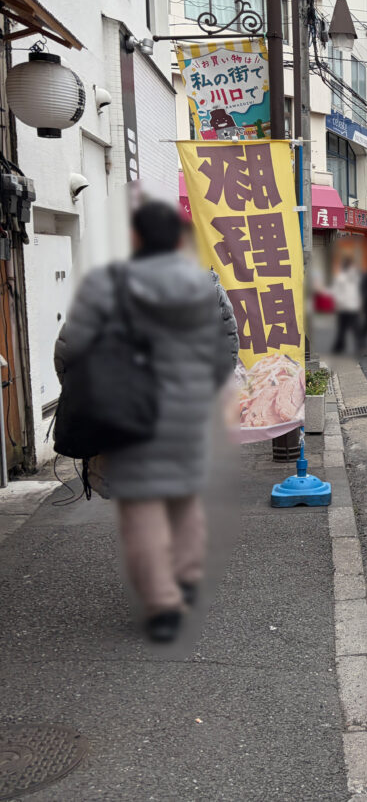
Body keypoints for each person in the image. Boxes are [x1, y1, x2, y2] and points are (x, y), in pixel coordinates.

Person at [54, 201, 238, 643]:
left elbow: (67, 353)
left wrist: (93, 396)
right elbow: (227, 347)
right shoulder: (205, 285)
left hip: (123, 423)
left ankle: (162, 605)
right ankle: (185, 577)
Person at [331, 257, 363, 354]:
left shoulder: (354, 277)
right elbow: (336, 292)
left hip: (349, 307)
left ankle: (341, 347)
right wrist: (343, 301)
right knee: (347, 329)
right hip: (347, 307)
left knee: (348, 329)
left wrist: (358, 302)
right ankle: (340, 347)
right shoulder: (343, 278)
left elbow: (358, 292)